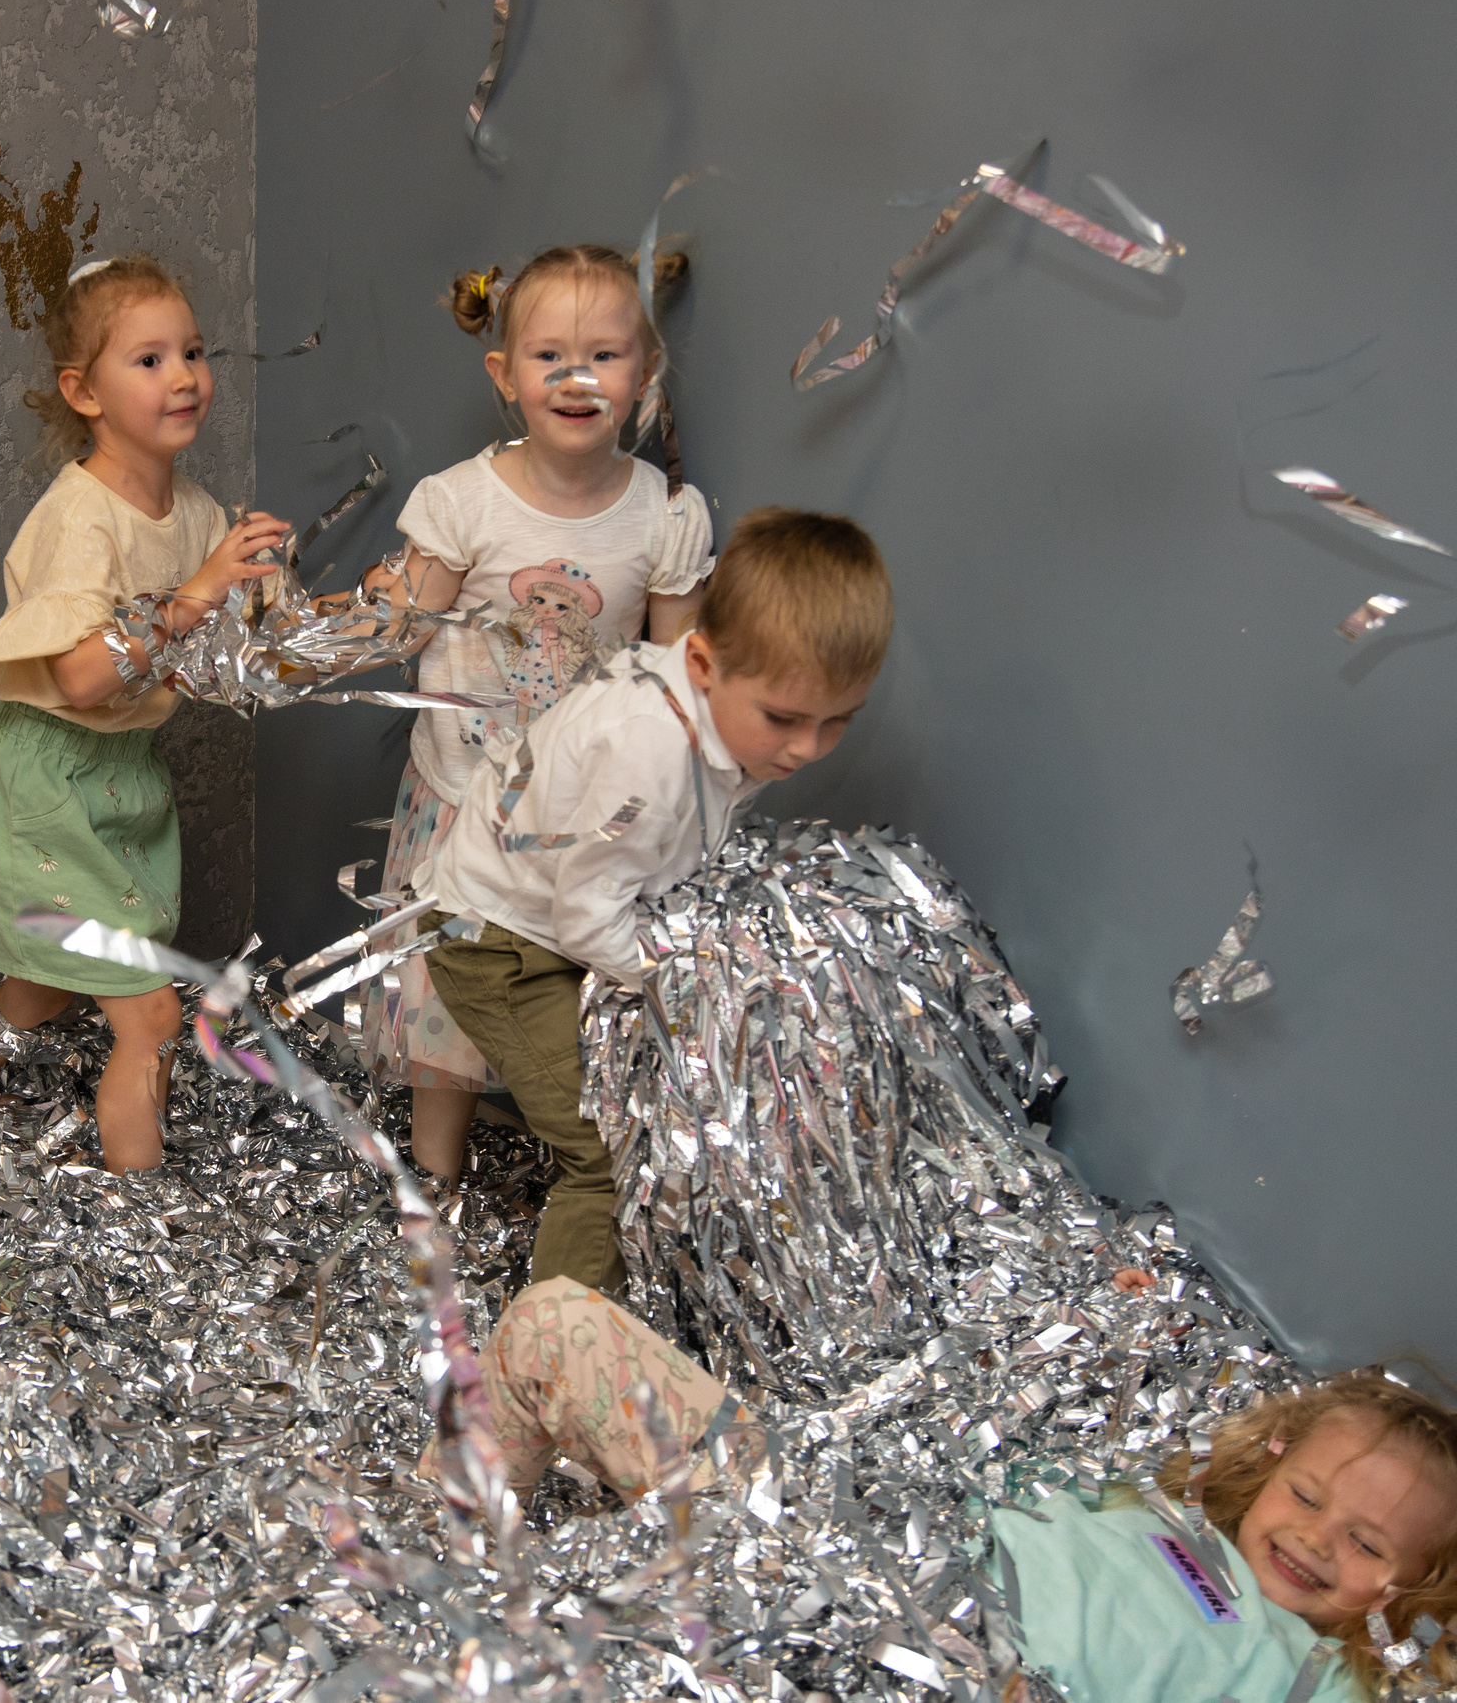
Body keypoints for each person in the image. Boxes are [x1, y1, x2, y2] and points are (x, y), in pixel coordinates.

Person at [480, 1278, 1457, 1701]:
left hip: (932, 1679)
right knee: (553, 1323)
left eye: (1370, 1545)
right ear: (1272, 1466)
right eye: (1310, 1495)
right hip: (824, 1549)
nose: (1318, 1540)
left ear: (1412, 1594)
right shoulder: (1144, 1509)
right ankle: (454, 1546)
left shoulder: (1316, 1676)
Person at [422, 509, 892, 1294]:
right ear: (702, 663)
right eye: (784, 718)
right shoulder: (648, 754)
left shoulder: (708, 719)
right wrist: (690, 980)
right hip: (497, 940)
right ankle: (551, 1365)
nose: (807, 748)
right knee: (607, 1151)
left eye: (837, 722)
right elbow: (587, 917)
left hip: (566, 918)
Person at [352, 245, 715, 1185]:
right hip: (461, 794)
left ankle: (583, 1175)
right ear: (504, 376)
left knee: (569, 995)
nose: (578, 377)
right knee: (447, 1002)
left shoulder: (663, 515)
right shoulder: (461, 501)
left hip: (576, 815)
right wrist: (356, 605)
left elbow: (676, 675)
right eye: (550, 355)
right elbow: (397, 629)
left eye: (604, 354)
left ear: (644, 375)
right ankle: (434, 1176)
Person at [0, 253, 291, 1172]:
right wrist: (198, 595)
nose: (184, 377)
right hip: (42, 782)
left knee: (40, 992)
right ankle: (145, 1215)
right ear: (83, 393)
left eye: (195, 353)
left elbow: (236, 651)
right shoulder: (79, 517)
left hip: (123, 782)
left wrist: (272, 599)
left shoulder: (197, 510)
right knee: (153, 1010)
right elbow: (85, 681)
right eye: (150, 359)